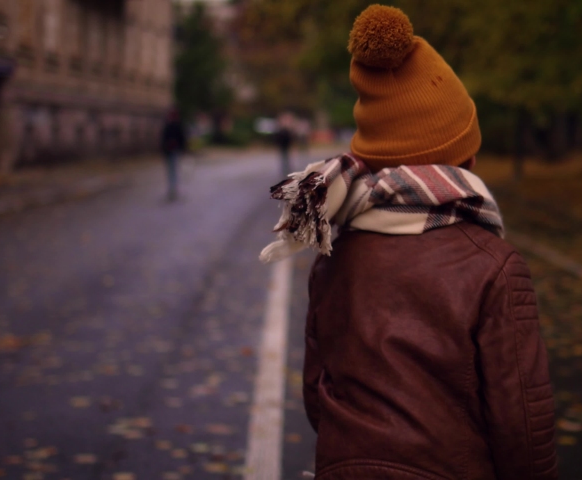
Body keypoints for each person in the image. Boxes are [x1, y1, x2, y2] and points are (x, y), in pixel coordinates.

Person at [260, 5, 558, 479]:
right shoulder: (494, 268)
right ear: (464, 158)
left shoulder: (335, 257)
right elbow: (521, 426)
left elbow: (319, 396)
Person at [160, 109, 187, 201]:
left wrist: (181, 149)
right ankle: (172, 188)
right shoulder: (169, 125)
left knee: (173, 170)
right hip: (169, 151)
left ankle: (173, 189)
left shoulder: (176, 125)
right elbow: (164, 139)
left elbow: (181, 138)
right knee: (171, 170)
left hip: (174, 151)